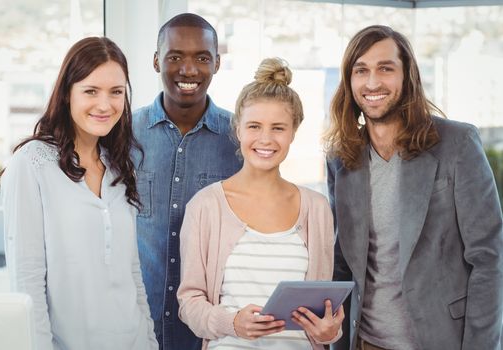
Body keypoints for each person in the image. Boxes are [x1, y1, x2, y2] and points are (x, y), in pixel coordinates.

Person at [324, 25, 503, 350]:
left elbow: (490, 258)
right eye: (360, 70)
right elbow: (343, 261)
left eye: (385, 69)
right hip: (365, 342)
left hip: (441, 340)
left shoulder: (458, 144)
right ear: (349, 82)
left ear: (408, 77)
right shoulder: (341, 158)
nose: (373, 82)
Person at [0, 37, 158, 350]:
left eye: (116, 92)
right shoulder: (31, 163)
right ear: (67, 94)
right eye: (91, 91)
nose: (105, 104)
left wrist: (150, 341)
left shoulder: (118, 167)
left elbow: (131, 272)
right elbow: (27, 279)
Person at [177, 57, 344, 350]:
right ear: (238, 129)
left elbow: (322, 315)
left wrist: (328, 332)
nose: (265, 139)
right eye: (254, 126)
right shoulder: (205, 206)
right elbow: (189, 304)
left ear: (294, 131)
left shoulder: (317, 209)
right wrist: (232, 323)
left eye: (278, 128)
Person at [131, 13, 242, 350]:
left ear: (217, 63)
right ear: (155, 61)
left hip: (210, 330)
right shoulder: (123, 134)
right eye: (175, 56)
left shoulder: (240, 138)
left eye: (202, 58)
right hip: (136, 325)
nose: (189, 70)